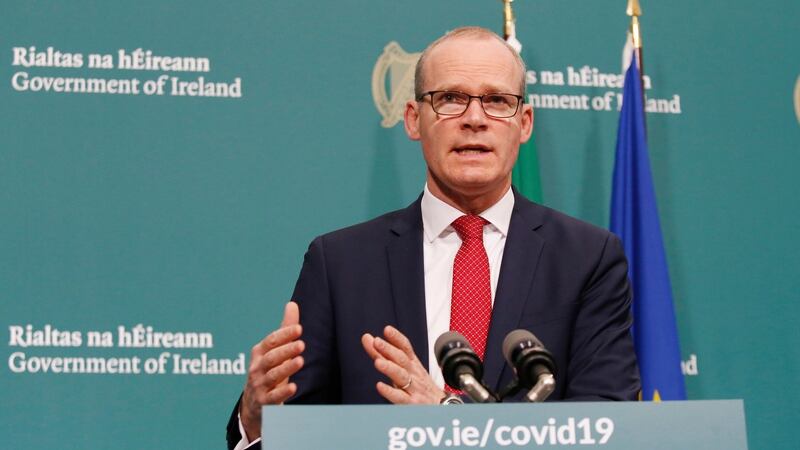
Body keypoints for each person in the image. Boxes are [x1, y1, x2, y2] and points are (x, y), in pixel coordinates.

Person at [227, 26, 640, 450]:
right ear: (413, 119)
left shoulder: (587, 257)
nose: (475, 119)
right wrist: (256, 420)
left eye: (497, 101)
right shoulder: (340, 263)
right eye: (450, 98)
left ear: (524, 123)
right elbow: (297, 429)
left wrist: (447, 416)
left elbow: (605, 427)